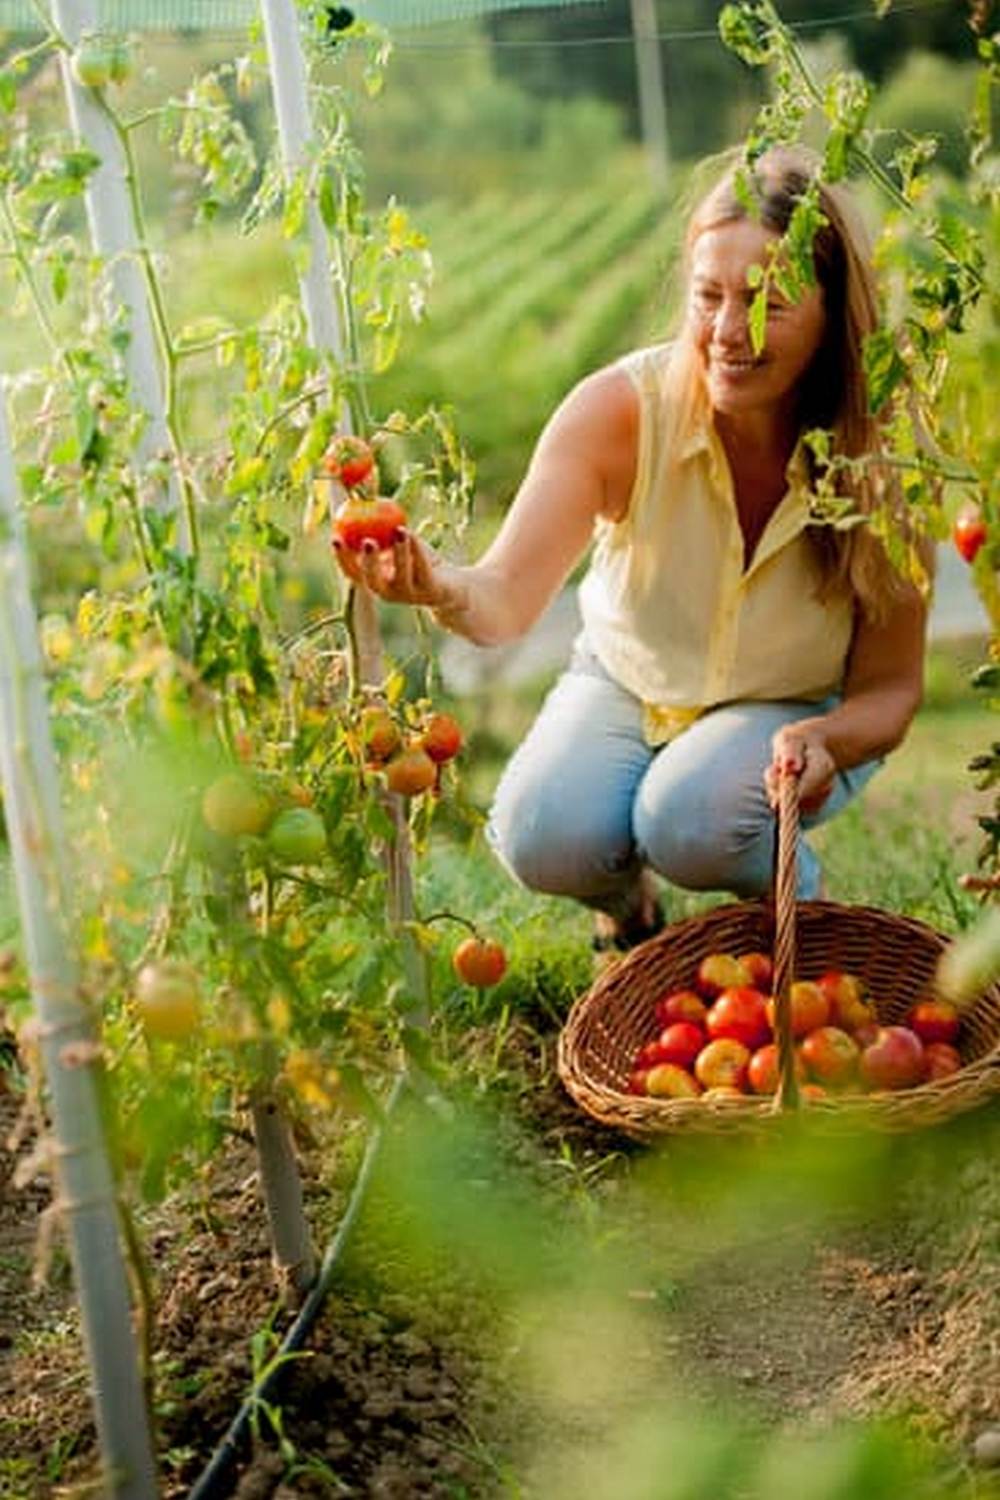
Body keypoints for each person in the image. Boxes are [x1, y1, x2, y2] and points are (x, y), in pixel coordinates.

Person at [333, 147, 928, 955]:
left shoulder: (885, 460)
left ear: (832, 317)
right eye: (708, 297)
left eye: (766, 305)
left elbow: (890, 692)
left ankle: (802, 930)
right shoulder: (621, 413)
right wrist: (437, 584)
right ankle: (630, 911)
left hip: (795, 709)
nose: (726, 331)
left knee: (691, 818)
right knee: (541, 832)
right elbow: (506, 598)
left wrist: (826, 742)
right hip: (630, 682)